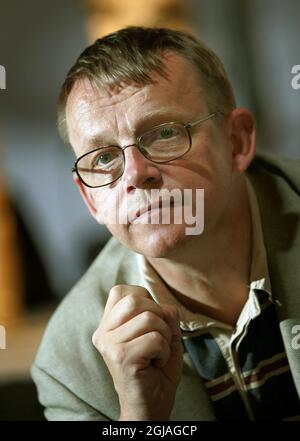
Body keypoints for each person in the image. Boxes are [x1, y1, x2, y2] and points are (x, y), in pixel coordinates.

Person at [31, 26, 300, 421]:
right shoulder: (69, 367)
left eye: (165, 133)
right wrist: (140, 417)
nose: (135, 174)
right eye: (104, 158)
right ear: (91, 199)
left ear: (237, 142)